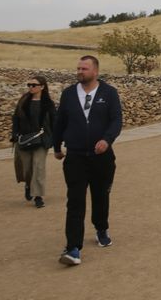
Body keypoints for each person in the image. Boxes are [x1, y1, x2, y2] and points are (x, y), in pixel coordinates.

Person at [54, 56, 122, 266]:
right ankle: (73, 247)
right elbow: (60, 122)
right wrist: (56, 146)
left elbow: (116, 120)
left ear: (95, 71)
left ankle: (101, 227)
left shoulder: (109, 93)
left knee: (100, 195)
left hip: (101, 157)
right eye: (78, 68)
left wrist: (107, 139)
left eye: (84, 68)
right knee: (75, 201)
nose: (80, 71)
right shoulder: (68, 94)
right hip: (75, 156)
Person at [11, 75, 56, 208]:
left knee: (38, 167)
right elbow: (15, 118)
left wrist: (55, 138)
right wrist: (15, 134)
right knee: (27, 169)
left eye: (34, 85)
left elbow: (55, 120)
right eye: (29, 85)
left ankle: (38, 196)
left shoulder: (48, 103)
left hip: (42, 140)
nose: (31, 87)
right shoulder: (23, 101)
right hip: (24, 139)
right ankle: (28, 185)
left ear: (42, 87)